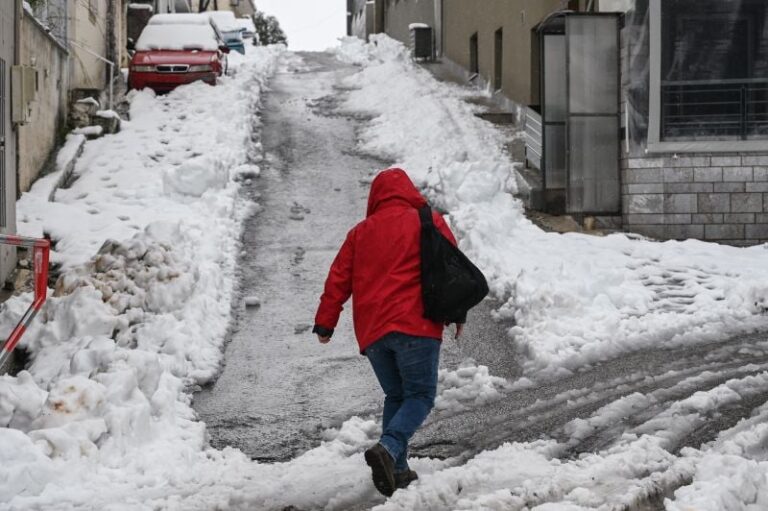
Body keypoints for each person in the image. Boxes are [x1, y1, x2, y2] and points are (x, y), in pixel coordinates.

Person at [312, 167, 463, 497]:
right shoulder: (428, 220)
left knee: (397, 395)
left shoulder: (360, 232)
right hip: (417, 326)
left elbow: (338, 278)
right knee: (420, 395)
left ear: (376, 198)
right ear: (409, 192)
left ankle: (396, 469)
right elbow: (452, 267)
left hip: (374, 335)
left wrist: (326, 322)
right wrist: (458, 312)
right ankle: (389, 447)